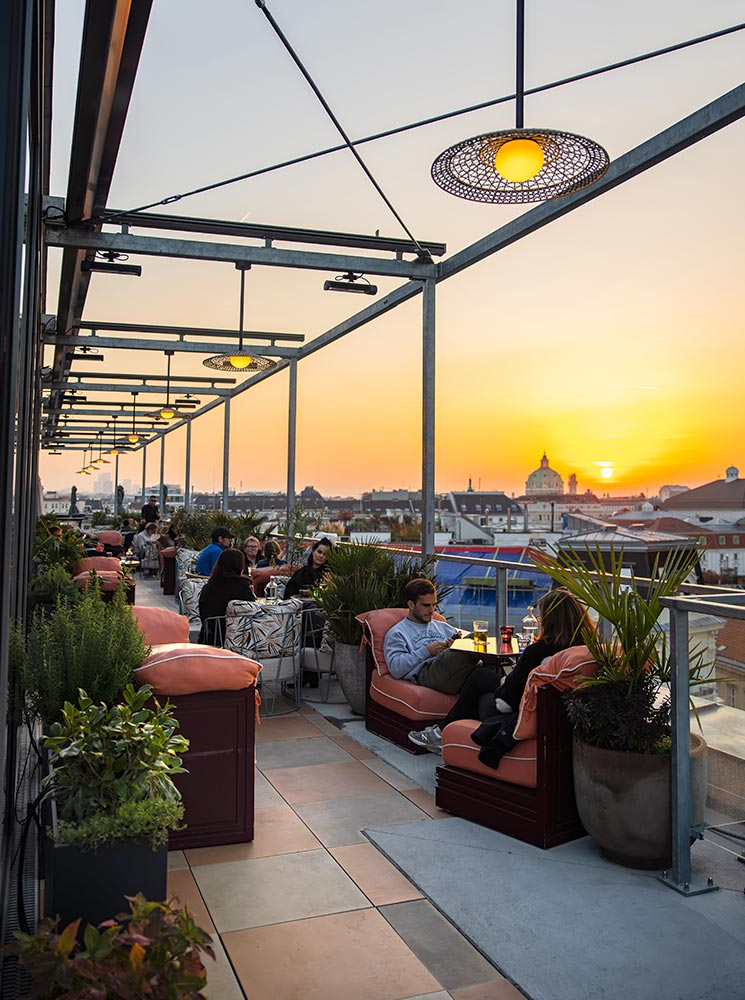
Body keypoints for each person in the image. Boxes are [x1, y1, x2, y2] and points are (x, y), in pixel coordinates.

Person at [408, 588, 594, 753]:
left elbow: (509, 698)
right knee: (481, 676)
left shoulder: (538, 651)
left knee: (478, 688)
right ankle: (443, 733)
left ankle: (442, 734)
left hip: (521, 713)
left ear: (550, 621)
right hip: (561, 712)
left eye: (541, 617)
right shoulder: (590, 650)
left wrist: (507, 682)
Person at [383, 579, 479, 697]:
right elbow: (396, 668)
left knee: (477, 643)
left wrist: (453, 645)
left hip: (453, 672)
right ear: (411, 605)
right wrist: (427, 650)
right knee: (473, 642)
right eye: (426, 605)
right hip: (428, 674)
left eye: (434, 605)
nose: (431, 610)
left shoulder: (444, 627)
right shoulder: (398, 633)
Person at [198, 548, 256, 645]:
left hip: (211, 638)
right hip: (239, 641)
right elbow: (252, 610)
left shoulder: (208, 587)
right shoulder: (242, 586)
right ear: (240, 565)